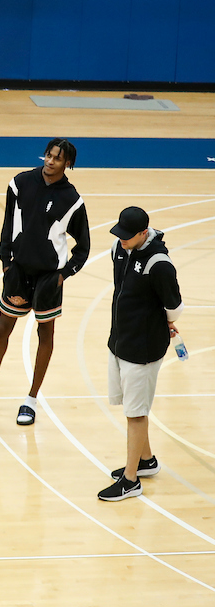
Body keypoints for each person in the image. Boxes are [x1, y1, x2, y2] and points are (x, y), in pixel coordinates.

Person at [0, 138, 89, 425]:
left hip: (49, 278)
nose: (50, 161)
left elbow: (83, 247)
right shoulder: (19, 184)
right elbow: (7, 225)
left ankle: (30, 400)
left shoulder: (72, 200)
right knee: (2, 329)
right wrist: (5, 262)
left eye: (57, 158)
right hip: (18, 271)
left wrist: (64, 275)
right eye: (49, 155)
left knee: (45, 335)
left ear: (68, 164)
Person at [99, 207, 184, 502]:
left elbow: (174, 306)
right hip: (120, 339)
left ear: (143, 233)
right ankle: (146, 461)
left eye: (127, 236)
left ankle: (131, 480)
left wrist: (165, 321)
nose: (121, 239)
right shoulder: (118, 249)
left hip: (143, 349)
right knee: (130, 407)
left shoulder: (159, 263)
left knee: (136, 415)